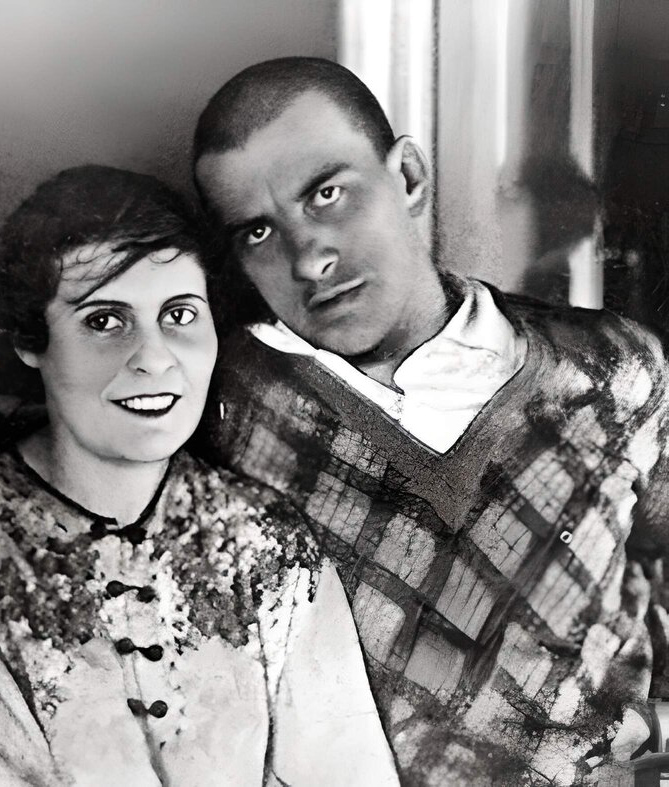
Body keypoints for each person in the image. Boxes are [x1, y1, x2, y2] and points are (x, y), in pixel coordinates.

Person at [191, 56, 669, 785]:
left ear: (409, 178)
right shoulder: (219, 402)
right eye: (258, 232)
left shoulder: (612, 366)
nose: (308, 258)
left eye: (327, 194)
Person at [0, 165, 398, 786]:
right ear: (30, 341)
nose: (153, 358)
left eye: (180, 315)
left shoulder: (267, 543)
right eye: (105, 321)